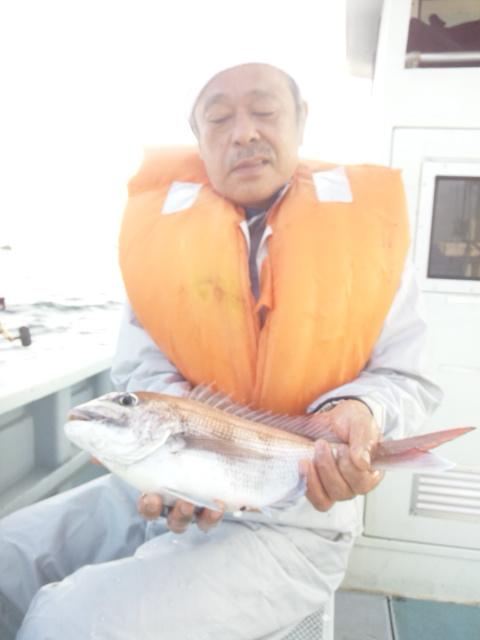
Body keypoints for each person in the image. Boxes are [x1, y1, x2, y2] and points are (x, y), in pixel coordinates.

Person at [0, 62, 442, 640]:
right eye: (219, 119)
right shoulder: (162, 245)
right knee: (8, 557)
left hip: (295, 517)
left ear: (301, 120)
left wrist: (361, 410)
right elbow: (143, 366)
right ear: (198, 138)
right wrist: (164, 462)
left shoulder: (371, 246)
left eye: (264, 111)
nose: (244, 132)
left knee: (66, 623)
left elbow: (409, 378)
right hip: (160, 483)